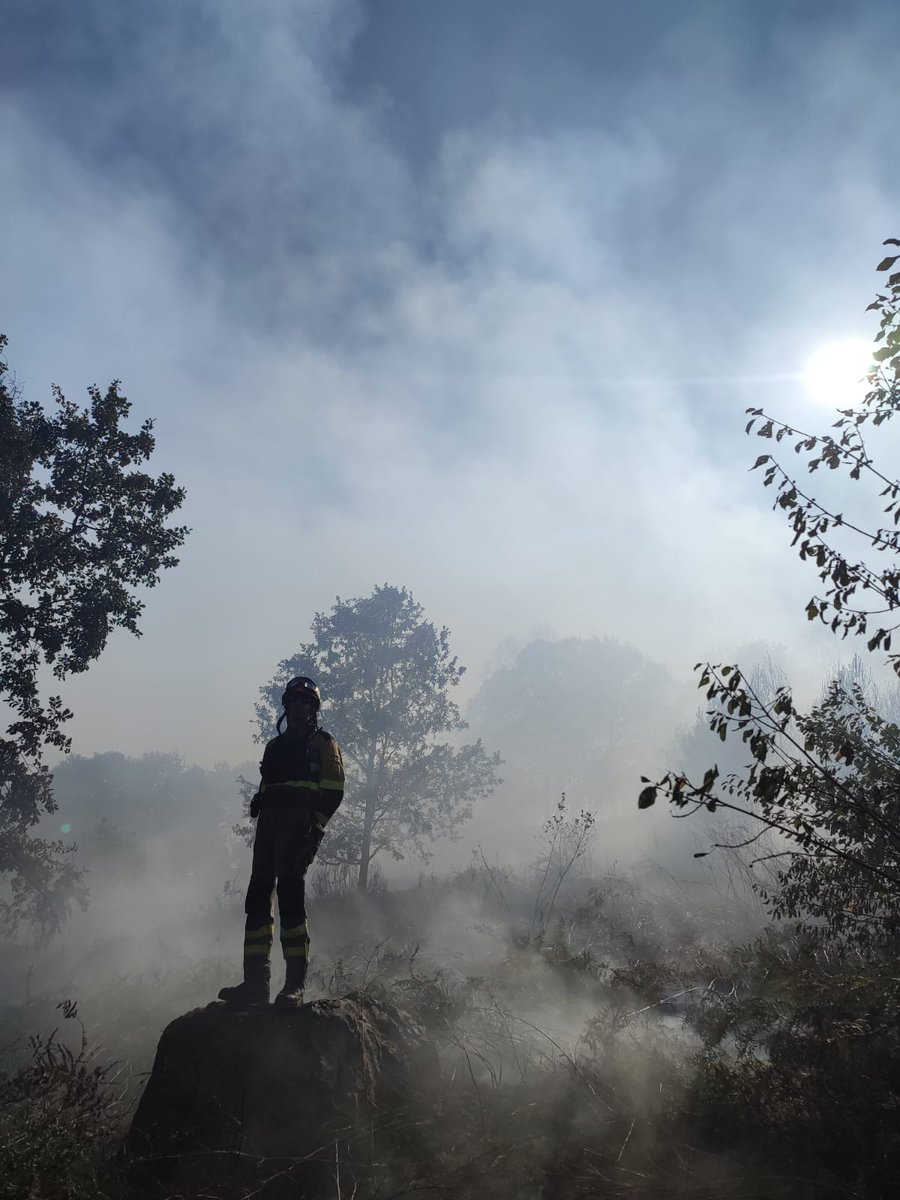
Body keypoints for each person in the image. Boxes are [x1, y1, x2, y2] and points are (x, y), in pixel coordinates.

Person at [218, 676, 345, 1010]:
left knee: (290, 901)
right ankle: (254, 985)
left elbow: (333, 792)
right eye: (293, 701)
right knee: (257, 901)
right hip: (270, 829)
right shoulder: (274, 747)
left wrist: (314, 831)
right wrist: (259, 801)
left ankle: (294, 986)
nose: (299, 707)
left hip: (298, 828)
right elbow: (267, 783)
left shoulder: (323, 743)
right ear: (286, 706)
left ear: (313, 709)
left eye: (306, 702)